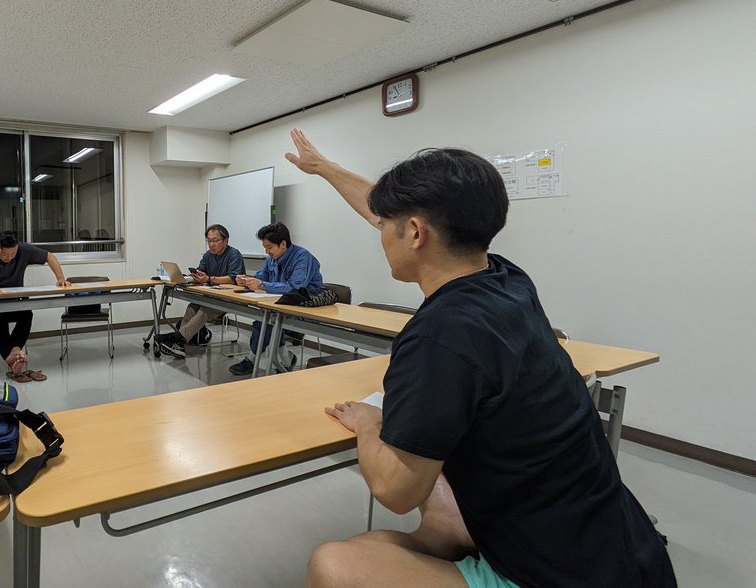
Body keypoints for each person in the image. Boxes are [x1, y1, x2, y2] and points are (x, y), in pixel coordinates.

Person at [285, 128, 674, 588]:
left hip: (558, 578)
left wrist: (370, 424)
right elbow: (390, 212)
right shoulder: (506, 278)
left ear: (415, 233)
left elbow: (394, 491)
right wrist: (325, 168)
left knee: (333, 565)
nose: (379, 231)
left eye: (386, 225)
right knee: (438, 488)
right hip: (620, 548)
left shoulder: (439, 334)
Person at [0, 231, 72, 382]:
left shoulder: (23, 250)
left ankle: (15, 351)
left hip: (15, 301)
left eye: (13, 253)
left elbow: (49, 256)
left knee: (26, 314)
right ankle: (12, 358)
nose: (10, 257)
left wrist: (60, 278)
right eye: (5, 254)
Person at [227, 222, 323, 375]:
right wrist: (247, 280)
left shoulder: (303, 257)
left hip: (305, 308)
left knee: (266, 321)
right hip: (281, 307)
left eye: (269, 247)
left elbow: (296, 287)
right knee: (266, 318)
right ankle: (285, 358)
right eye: (265, 247)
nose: (267, 252)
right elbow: (261, 276)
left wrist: (262, 285)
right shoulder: (272, 259)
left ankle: (252, 359)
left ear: (283, 244)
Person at [154, 224, 246, 358]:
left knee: (205, 310)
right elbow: (200, 271)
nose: (211, 244)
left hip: (229, 299)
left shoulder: (234, 254)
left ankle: (177, 339)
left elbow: (233, 278)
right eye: (209, 241)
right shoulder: (208, 255)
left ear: (226, 240)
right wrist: (191, 277)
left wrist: (209, 279)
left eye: (215, 240)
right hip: (213, 296)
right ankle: (180, 343)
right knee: (192, 307)